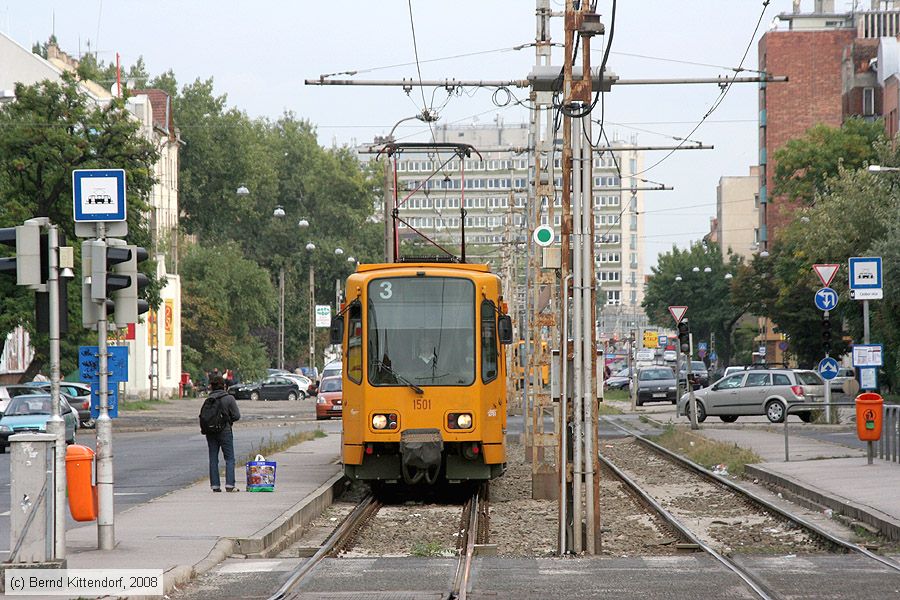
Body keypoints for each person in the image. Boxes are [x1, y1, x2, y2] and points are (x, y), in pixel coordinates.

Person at [205, 375, 241, 492]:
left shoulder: (208, 399)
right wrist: (228, 420)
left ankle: (215, 485)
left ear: (212, 386)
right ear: (224, 386)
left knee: (213, 458)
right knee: (229, 458)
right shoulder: (229, 398)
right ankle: (230, 484)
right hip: (225, 431)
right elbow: (237, 416)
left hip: (210, 432)